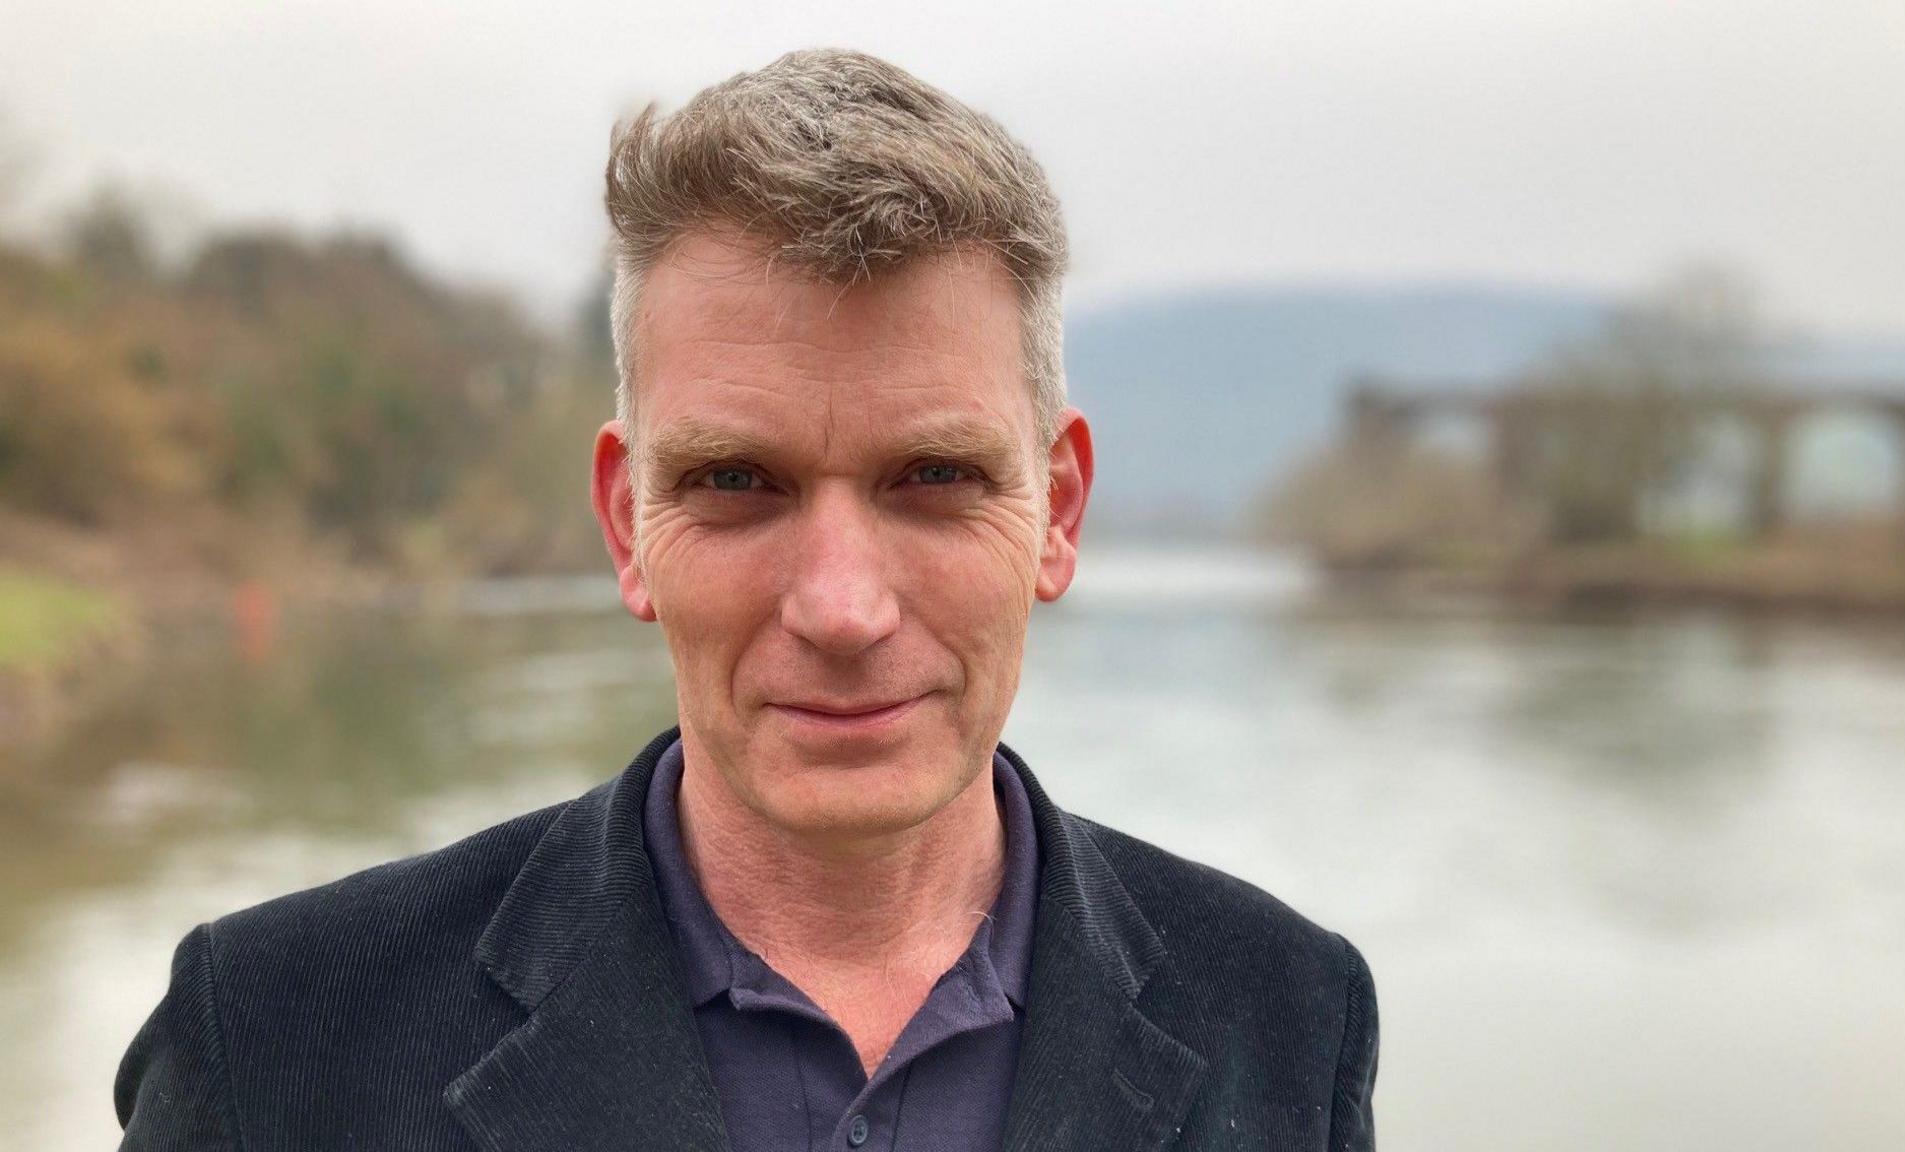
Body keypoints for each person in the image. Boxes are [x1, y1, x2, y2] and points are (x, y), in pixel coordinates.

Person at [115, 48, 1378, 1151]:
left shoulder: (1285, 1017)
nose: (840, 609)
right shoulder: (272, 1045)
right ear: (626, 522)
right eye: (735, 481)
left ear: (1058, 511)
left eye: (933, 477)